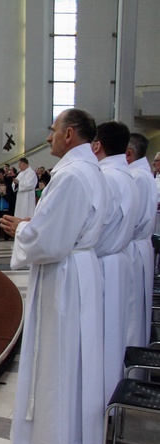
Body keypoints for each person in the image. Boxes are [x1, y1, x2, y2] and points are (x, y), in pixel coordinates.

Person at [1, 108, 107, 444]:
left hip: (63, 276)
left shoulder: (72, 176)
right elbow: (66, 226)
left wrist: (23, 231)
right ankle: (67, 442)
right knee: (71, 360)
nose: (47, 137)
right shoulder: (89, 170)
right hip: (78, 271)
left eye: (52, 130)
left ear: (69, 134)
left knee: (55, 361)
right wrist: (36, 226)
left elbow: (54, 240)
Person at [92, 121, 138, 409]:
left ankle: (98, 405)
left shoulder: (106, 177)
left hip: (103, 263)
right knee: (111, 336)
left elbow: (94, 226)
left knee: (101, 343)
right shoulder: (127, 175)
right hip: (117, 259)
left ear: (97, 145)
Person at [126, 133, 157, 350]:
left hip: (133, 248)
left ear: (129, 154)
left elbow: (129, 220)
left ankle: (132, 361)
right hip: (140, 246)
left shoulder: (136, 177)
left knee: (132, 310)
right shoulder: (144, 174)